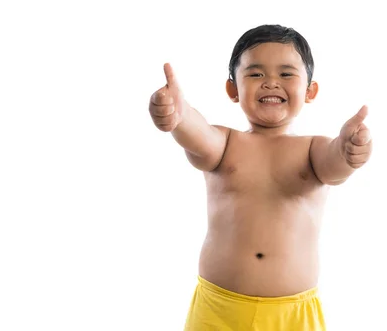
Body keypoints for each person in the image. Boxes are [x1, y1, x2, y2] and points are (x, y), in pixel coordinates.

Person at [149, 24, 373, 330]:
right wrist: (179, 113)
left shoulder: (313, 149)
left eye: (286, 74)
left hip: (292, 315)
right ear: (233, 89)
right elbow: (197, 133)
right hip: (219, 310)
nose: (270, 83)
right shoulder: (225, 143)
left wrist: (350, 150)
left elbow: (334, 165)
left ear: (310, 90)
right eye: (255, 74)